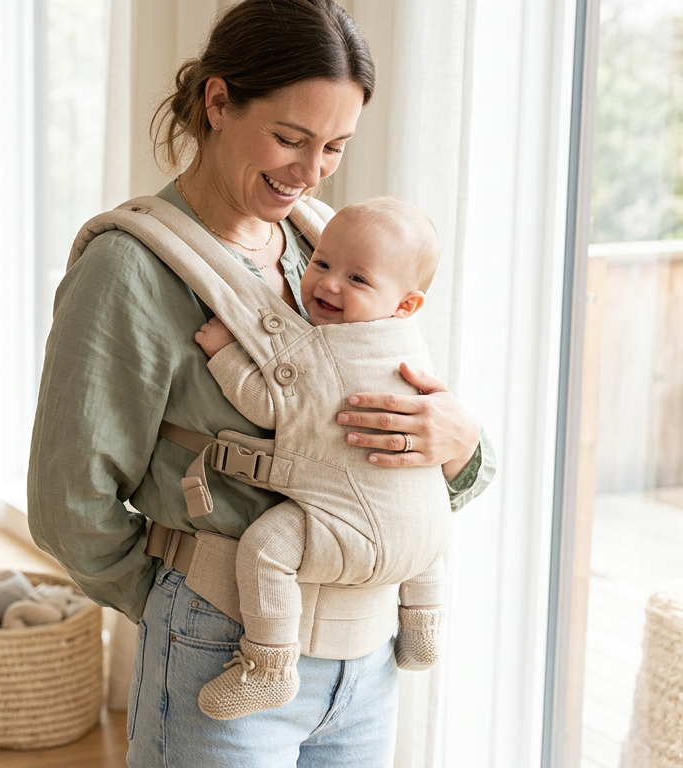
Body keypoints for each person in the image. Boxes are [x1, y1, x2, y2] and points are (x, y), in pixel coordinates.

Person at [27, 0, 496, 765]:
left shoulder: (333, 250)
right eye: (290, 138)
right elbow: (66, 500)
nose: (310, 173)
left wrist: (462, 444)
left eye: (336, 147)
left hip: (368, 658)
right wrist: (176, 598)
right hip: (219, 643)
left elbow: (402, 440)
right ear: (218, 102)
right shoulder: (130, 270)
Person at [190, 196, 449, 721]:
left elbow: (271, 405)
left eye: (357, 279)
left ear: (406, 304)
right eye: (323, 263)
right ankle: (423, 625)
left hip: (346, 528)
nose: (328, 284)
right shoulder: (410, 348)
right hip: (419, 539)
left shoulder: (323, 348)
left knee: (264, 549)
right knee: (426, 515)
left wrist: (225, 353)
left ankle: (267, 668)